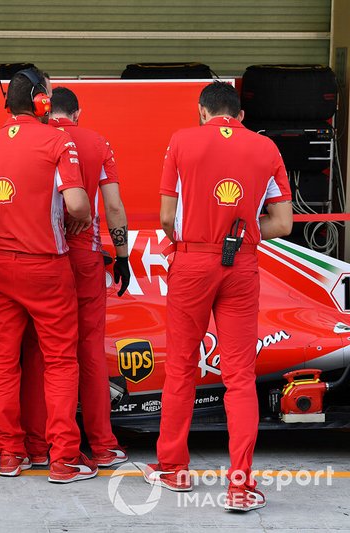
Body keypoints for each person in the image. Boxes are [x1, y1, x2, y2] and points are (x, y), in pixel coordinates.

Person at [139, 81, 293, 511]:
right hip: (241, 261)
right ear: (240, 115)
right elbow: (284, 223)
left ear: (202, 112)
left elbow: (168, 216)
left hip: (191, 261)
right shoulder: (266, 149)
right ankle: (240, 487)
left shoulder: (182, 141)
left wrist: (186, 240)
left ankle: (173, 469)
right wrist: (242, 231)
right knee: (240, 376)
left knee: (182, 368)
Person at [0, 68, 95, 483]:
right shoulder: (57, 141)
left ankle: (9, 454)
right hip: (47, 266)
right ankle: (62, 459)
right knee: (59, 361)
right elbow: (76, 204)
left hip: (1, 265)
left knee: (4, 362)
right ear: (42, 101)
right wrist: (83, 216)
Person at [19, 86, 131, 469]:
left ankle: (35, 445)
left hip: (40, 254)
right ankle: (101, 444)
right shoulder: (97, 142)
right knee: (89, 351)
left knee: (38, 353)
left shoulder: (32, 140)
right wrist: (123, 255)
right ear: (78, 113)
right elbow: (113, 205)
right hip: (83, 256)